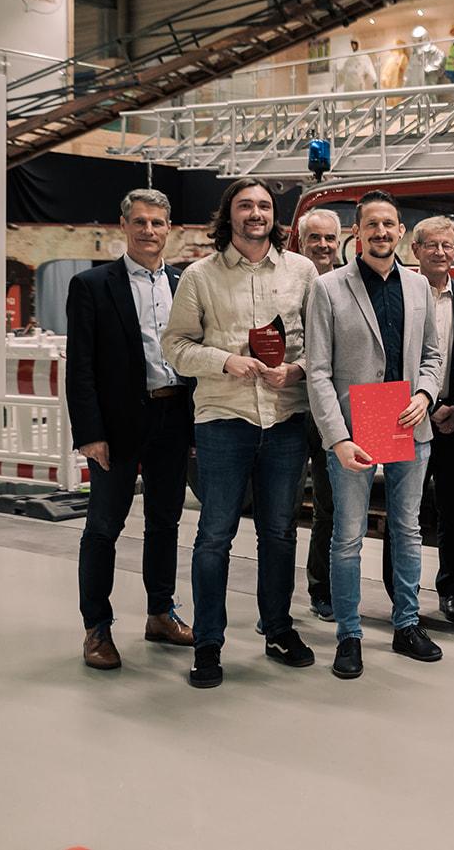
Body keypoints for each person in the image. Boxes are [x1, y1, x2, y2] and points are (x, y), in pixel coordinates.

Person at [164, 177, 318, 689]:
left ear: (275, 216)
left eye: (265, 206)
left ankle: (277, 628)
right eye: (245, 204)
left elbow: (321, 346)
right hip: (223, 421)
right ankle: (208, 643)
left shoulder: (302, 271)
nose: (256, 213)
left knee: (278, 533)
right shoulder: (199, 276)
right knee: (214, 537)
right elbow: (176, 346)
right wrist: (225, 360)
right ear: (228, 214)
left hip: (284, 420)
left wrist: (295, 371)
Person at [306, 190, 445, 678]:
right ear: (357, 233)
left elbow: (432, 355)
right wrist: (337, 438)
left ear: (400, 232)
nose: (381, 232)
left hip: (408, 422)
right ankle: (349, 634)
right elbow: (318, 371)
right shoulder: (328, 289)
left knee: (407, 530)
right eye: (372, 225)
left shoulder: (419, 286)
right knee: (347, 536)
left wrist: (425, 396)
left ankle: (407, 623)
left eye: (389, 224)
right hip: (354, 427)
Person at [66, 188, 195, 669]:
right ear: (124, 226)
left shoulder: (185, 283)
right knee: (103, 526)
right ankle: (96, 628)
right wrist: (90, 433)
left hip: (173, 416)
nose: (149, 231)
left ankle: (160, 613)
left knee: (166, 522)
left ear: (169, 229)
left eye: (157, 223)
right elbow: (80, 368)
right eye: (139, 222)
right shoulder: (93, 285)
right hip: (117, 426)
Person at [408, 216, 454, 623]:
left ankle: (452, 591)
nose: (439, 252)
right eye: (431, 245)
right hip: (409, 415)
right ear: (415, 250)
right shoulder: (400, 293)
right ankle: (402, 593)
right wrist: (426, 404)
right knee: (406, 510)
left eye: (447, 246)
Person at [295, 208, 343, 621]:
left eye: (330, 238)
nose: (323, 245)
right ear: (300, 240)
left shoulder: (348, 283)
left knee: (329, 507)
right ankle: (273, 600)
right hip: (289, 409)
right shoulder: (287, 281)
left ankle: (322, 588)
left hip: (331, 412)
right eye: (315, 238)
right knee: (280, 510)